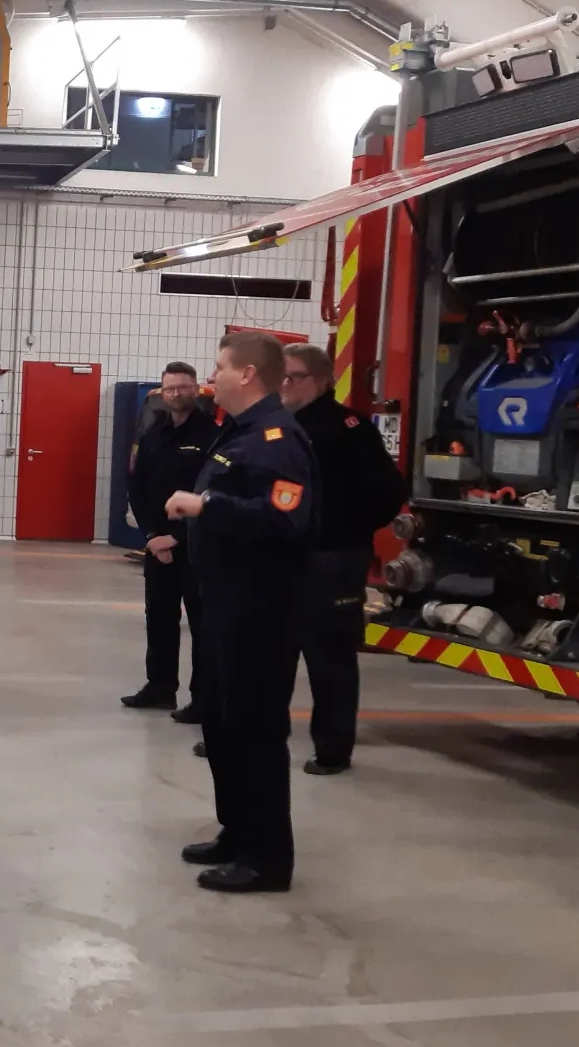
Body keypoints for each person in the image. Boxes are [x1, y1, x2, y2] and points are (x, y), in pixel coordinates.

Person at [166, 331, 317, 894]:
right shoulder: (241, 431)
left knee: (256, 730)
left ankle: (267, 858)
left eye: (220, 367)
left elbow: (284, 518)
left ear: (248, 374)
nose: (212, 376)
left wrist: (207, 505)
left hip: (261, 608)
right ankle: (238, 831)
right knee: (224, 724)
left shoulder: (278, 439)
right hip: (226, 601)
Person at [282, 342, 405, 776]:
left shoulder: (347, 429)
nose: (283, 384)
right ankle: (261, 734)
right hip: (283, 560)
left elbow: (388, 491)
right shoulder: (280, 426)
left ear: (318, 380)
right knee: (273, 654)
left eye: (292, 376)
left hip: (331, 561)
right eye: (280, 376)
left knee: (330, 659)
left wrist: (345, 532)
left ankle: (333, 749)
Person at [122, 361, 215, 723]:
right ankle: (160, 687)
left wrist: (175, 538)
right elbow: (136, 486)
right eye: (170, 388)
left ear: (196, 389)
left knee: (202, 624)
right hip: (157, 545)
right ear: (162, 392)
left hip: (194, 546)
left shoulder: (213, 435)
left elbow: (211, 494)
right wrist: (151, 536)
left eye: (183, 387)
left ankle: (203, 698)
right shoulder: (153, 434)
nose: (176, 394)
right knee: (159, 618)